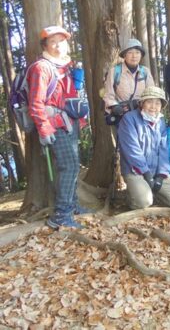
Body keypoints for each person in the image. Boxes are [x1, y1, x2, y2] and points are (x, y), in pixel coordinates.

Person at [27, 26, 90, 229]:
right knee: (69, 166)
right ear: (45, 45)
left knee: (73, 164)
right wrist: (44, 129)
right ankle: (61, 214)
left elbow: (71, 97)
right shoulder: (41, 68)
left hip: (69, 122)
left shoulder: (66, 66)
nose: (58, 45)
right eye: (52, 42)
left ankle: (72, 205)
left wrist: (80, 120)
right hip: (54, 125)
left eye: (61, 41)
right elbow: (36, 103)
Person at [117, 86, 170, 209]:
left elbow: (163, 150)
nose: (153, 107)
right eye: (149, 101)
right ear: (142, 103)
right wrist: (146, 173)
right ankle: (132, 197)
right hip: (135, 170)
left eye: (157, 103)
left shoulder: (160, 122)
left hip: (155, 170)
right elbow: (132, 150)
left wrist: (161, 175)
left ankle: (153, 192)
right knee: (144, 202)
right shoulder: (129, 119)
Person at [103, 38, 155, 124]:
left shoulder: (145, 71)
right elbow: (108, 94)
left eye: (137, 52)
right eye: (130, 52)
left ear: (141, 55)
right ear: (124, 55)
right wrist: (114, 106)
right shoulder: (115, 71)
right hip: (122, 116)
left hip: (142, 115)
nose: (134, 56)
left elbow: (152, 93)